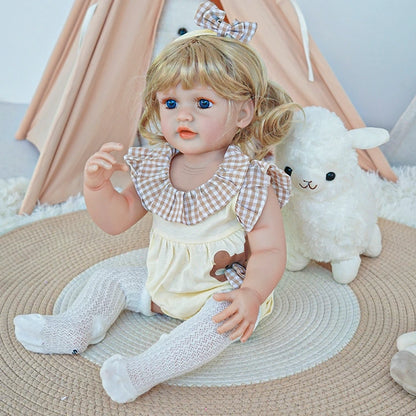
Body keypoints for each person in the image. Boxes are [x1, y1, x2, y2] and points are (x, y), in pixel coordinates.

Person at [14, 1, 298, 403]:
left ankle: (145, 368)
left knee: (213, 326)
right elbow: (118, 220)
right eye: (170, 104)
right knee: (109, 277)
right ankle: (76, 326)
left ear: (244, 112)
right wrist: (98, 188)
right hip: (163, 284)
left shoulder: (248, 176)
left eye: (202, 104)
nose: (184, 116)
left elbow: (269, 248)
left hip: (220, 292)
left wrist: (251, 294)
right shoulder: (157, 165)